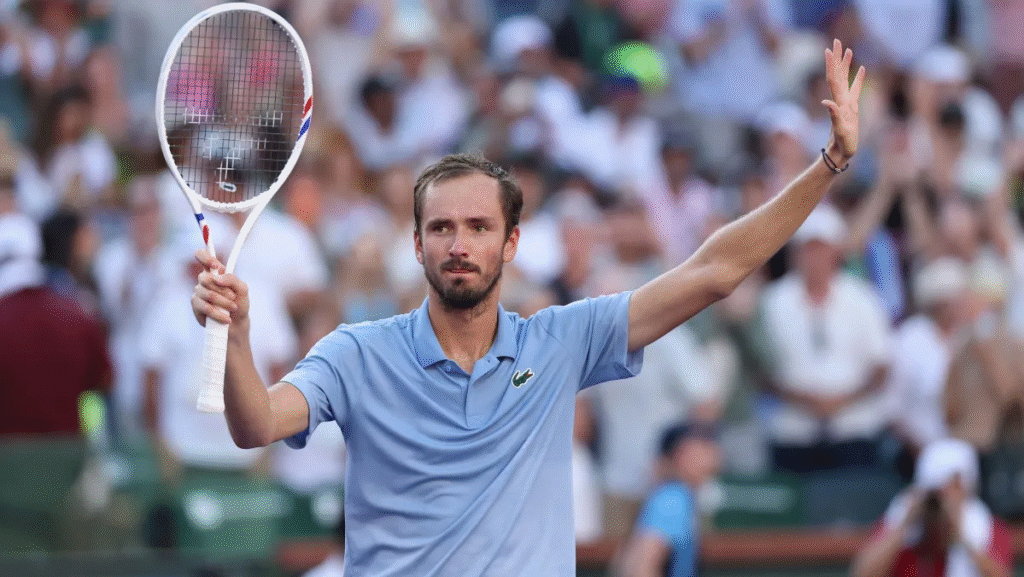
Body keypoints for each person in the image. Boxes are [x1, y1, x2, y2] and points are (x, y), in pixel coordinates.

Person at [190, 40, 865, 576]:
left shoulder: (561, 340)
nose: (460, 245)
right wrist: (238, 337)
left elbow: (714, 272)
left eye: (479, 228)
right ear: (417, 243)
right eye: (442, 228)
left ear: (512, 242)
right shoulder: (356, 351)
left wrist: (829, 162)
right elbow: (257, 424)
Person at [850, 438, 1011, 577]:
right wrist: (904, 526)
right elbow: (862, 573)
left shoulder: (986, 527)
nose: (942, 500)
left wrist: (962, 537)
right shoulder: (901, 518)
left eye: (952, 488)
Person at [616, 421, 721, 577]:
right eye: (699, 452)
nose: (708, 459)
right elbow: (641, 567)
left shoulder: (677, 496)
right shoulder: (672, 499)